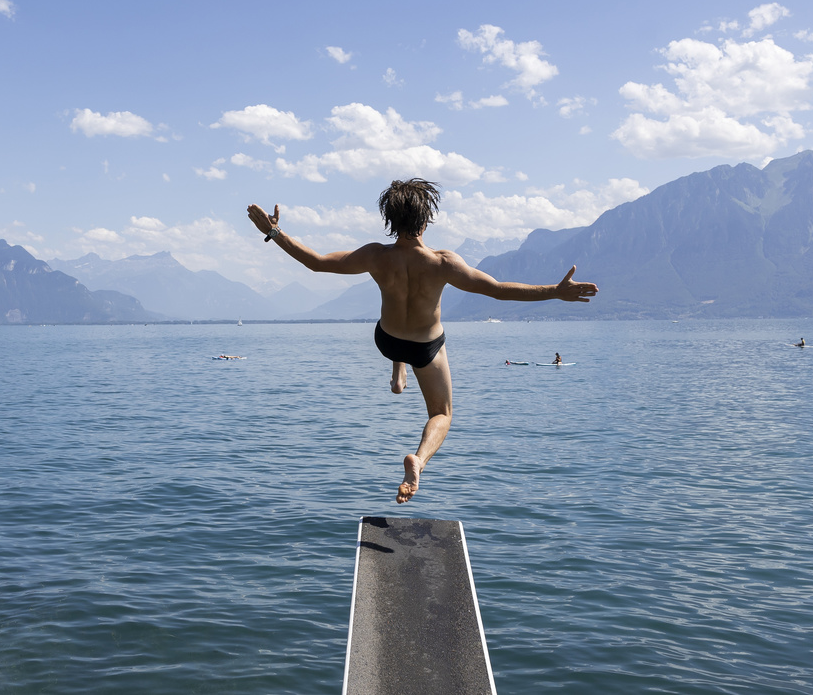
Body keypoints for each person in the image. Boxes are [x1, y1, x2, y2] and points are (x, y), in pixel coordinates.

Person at [247, 178, 598, 503]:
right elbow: (499, 291)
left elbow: (317, 263)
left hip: (387, 341)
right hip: (425, 348)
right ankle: (419, 459)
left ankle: (399, 377)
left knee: (394, 334)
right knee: (441, 412)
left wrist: (275, 232)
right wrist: (554, 291)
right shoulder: (443, 262)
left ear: (389, 219)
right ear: (425, 219)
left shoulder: (375, 256)